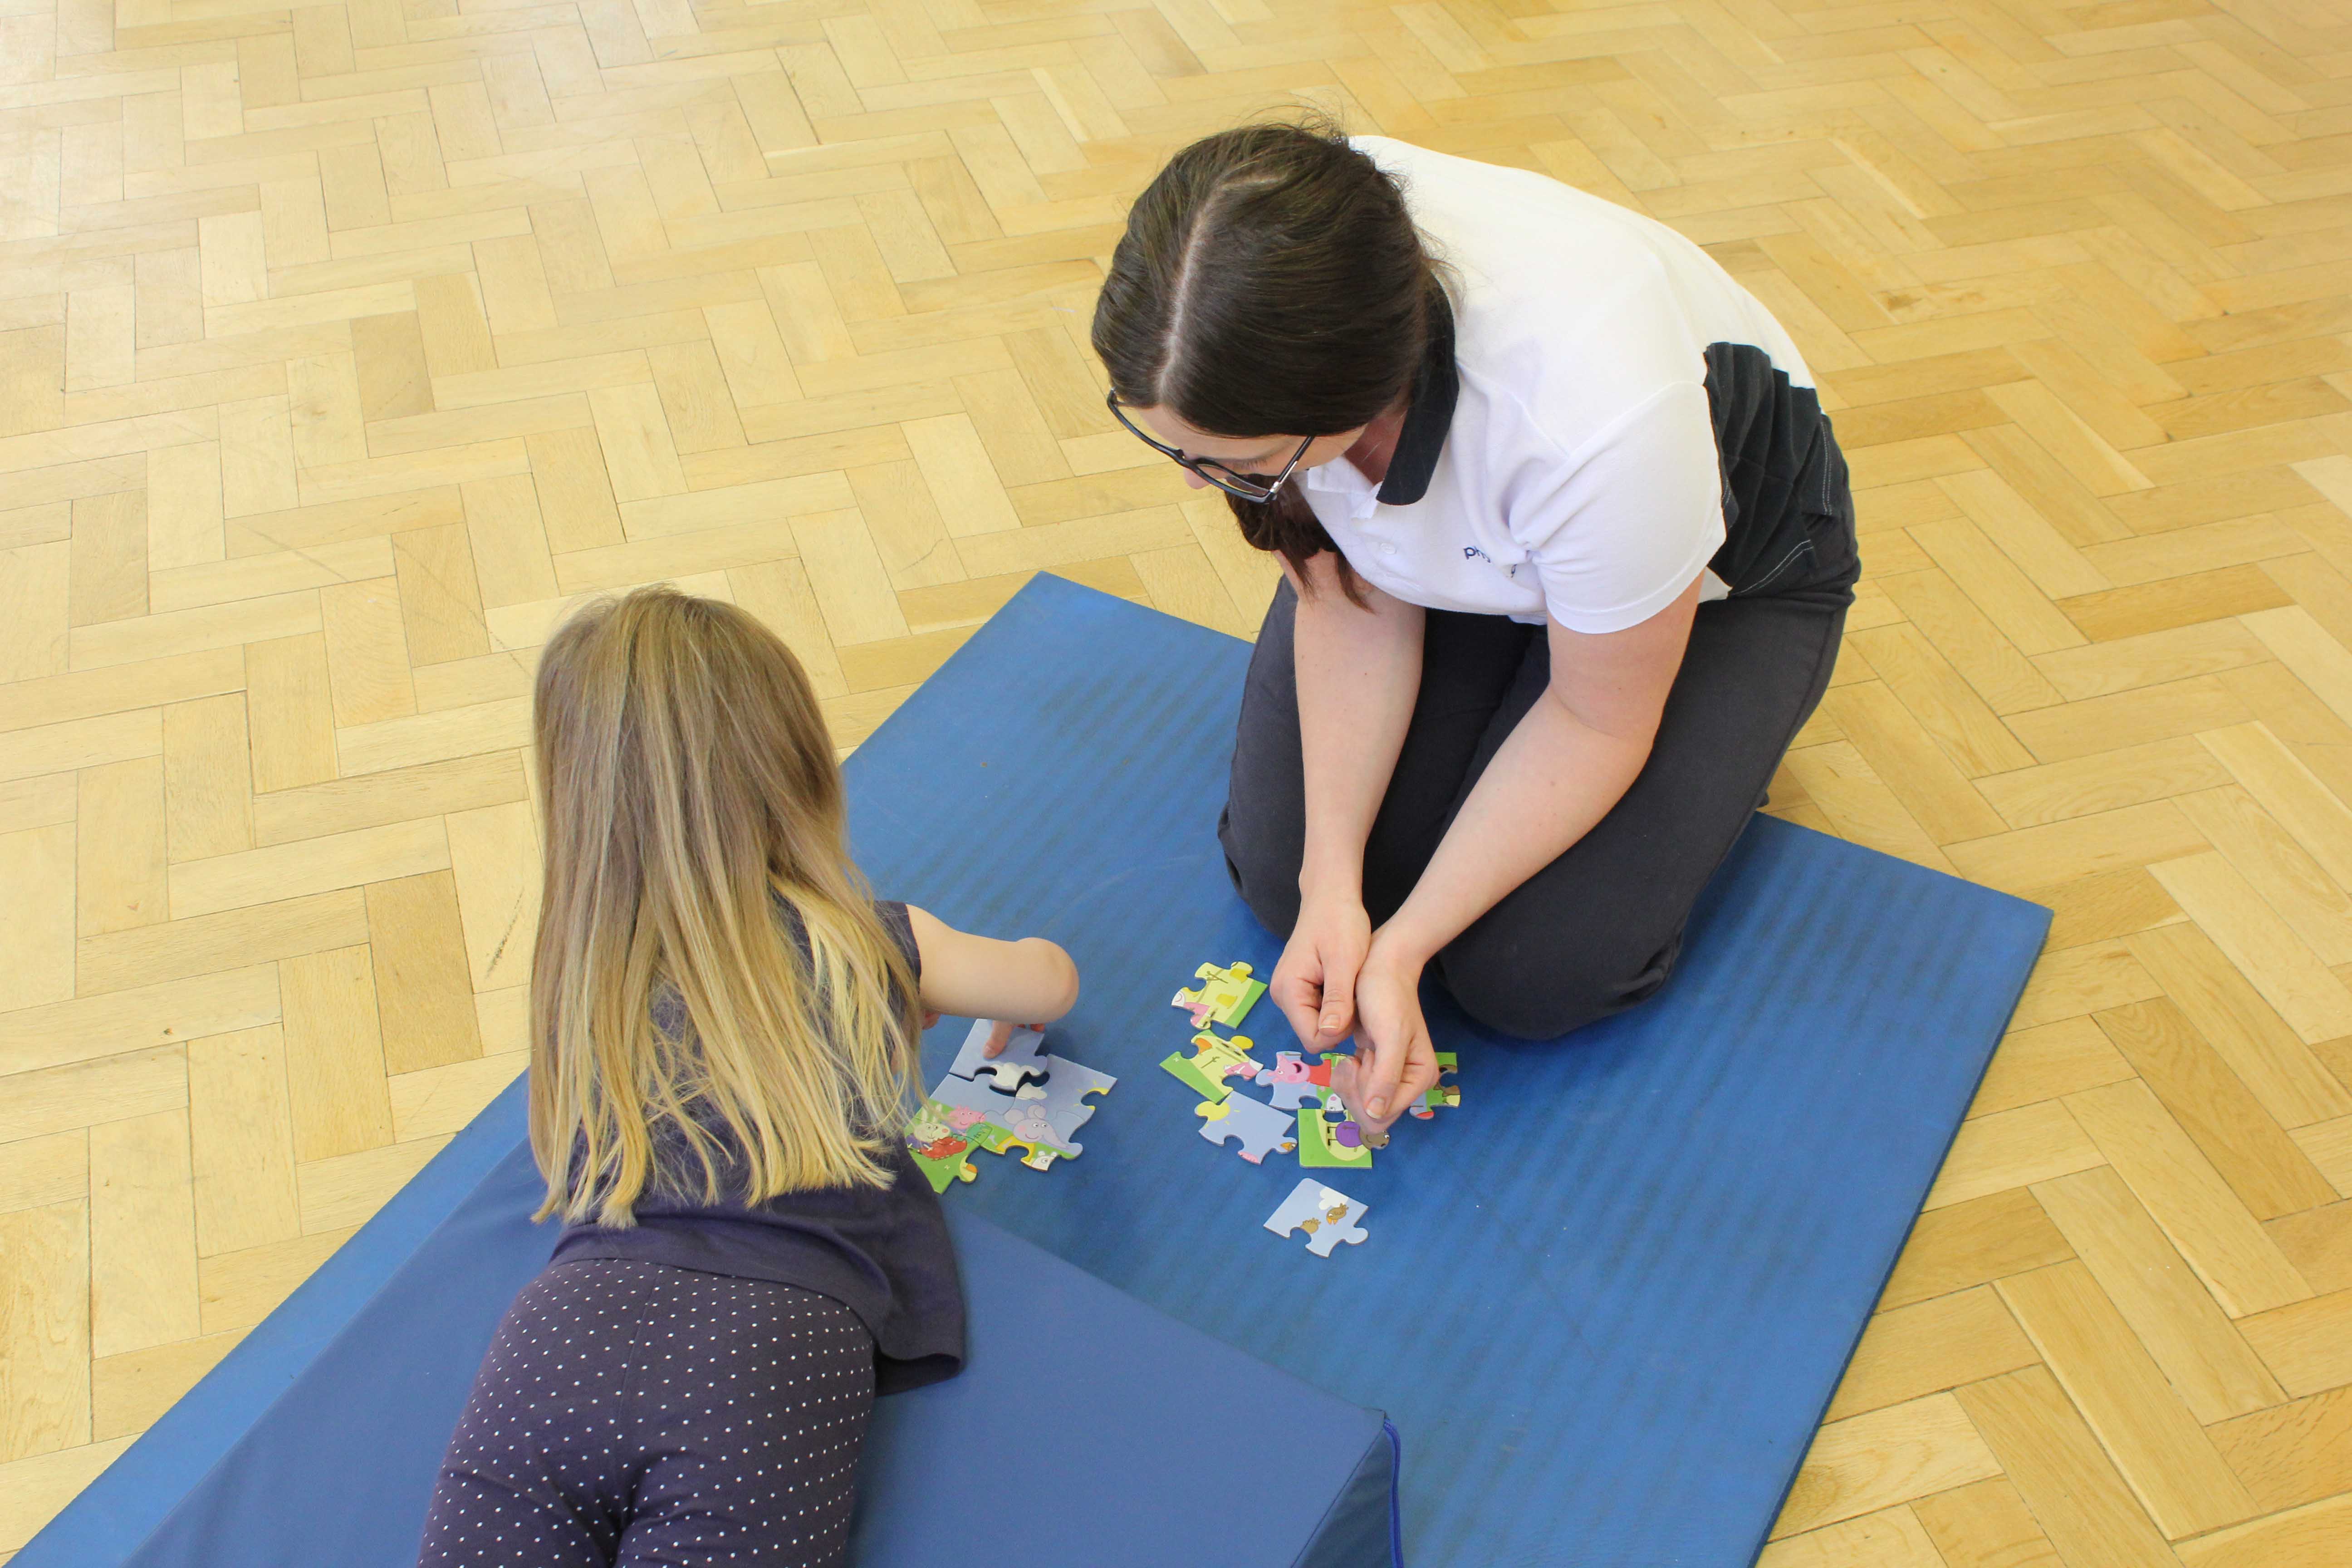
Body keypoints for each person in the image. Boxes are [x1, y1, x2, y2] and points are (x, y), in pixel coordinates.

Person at [1091, 121, 1858, 1138]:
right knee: (1286, 881)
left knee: (1530, 976)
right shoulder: (1269, 269)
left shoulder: (1596, 421)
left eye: (1240, 461)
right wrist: (1332, 884)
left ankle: (1725, 743)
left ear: (1360, 402)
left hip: (1730, 581)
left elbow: (1595, 720)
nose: (1197, 481)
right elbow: (1350, 597)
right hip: (1493, 556)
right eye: (1177, 446)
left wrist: (1404, 947)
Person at [416, 588, 1079, 1568]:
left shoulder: (580, 963)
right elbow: (1048, 983)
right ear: (799, 767)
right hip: (768, 1344)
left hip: (562, 1335)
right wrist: (915, 985)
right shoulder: (869, 940)